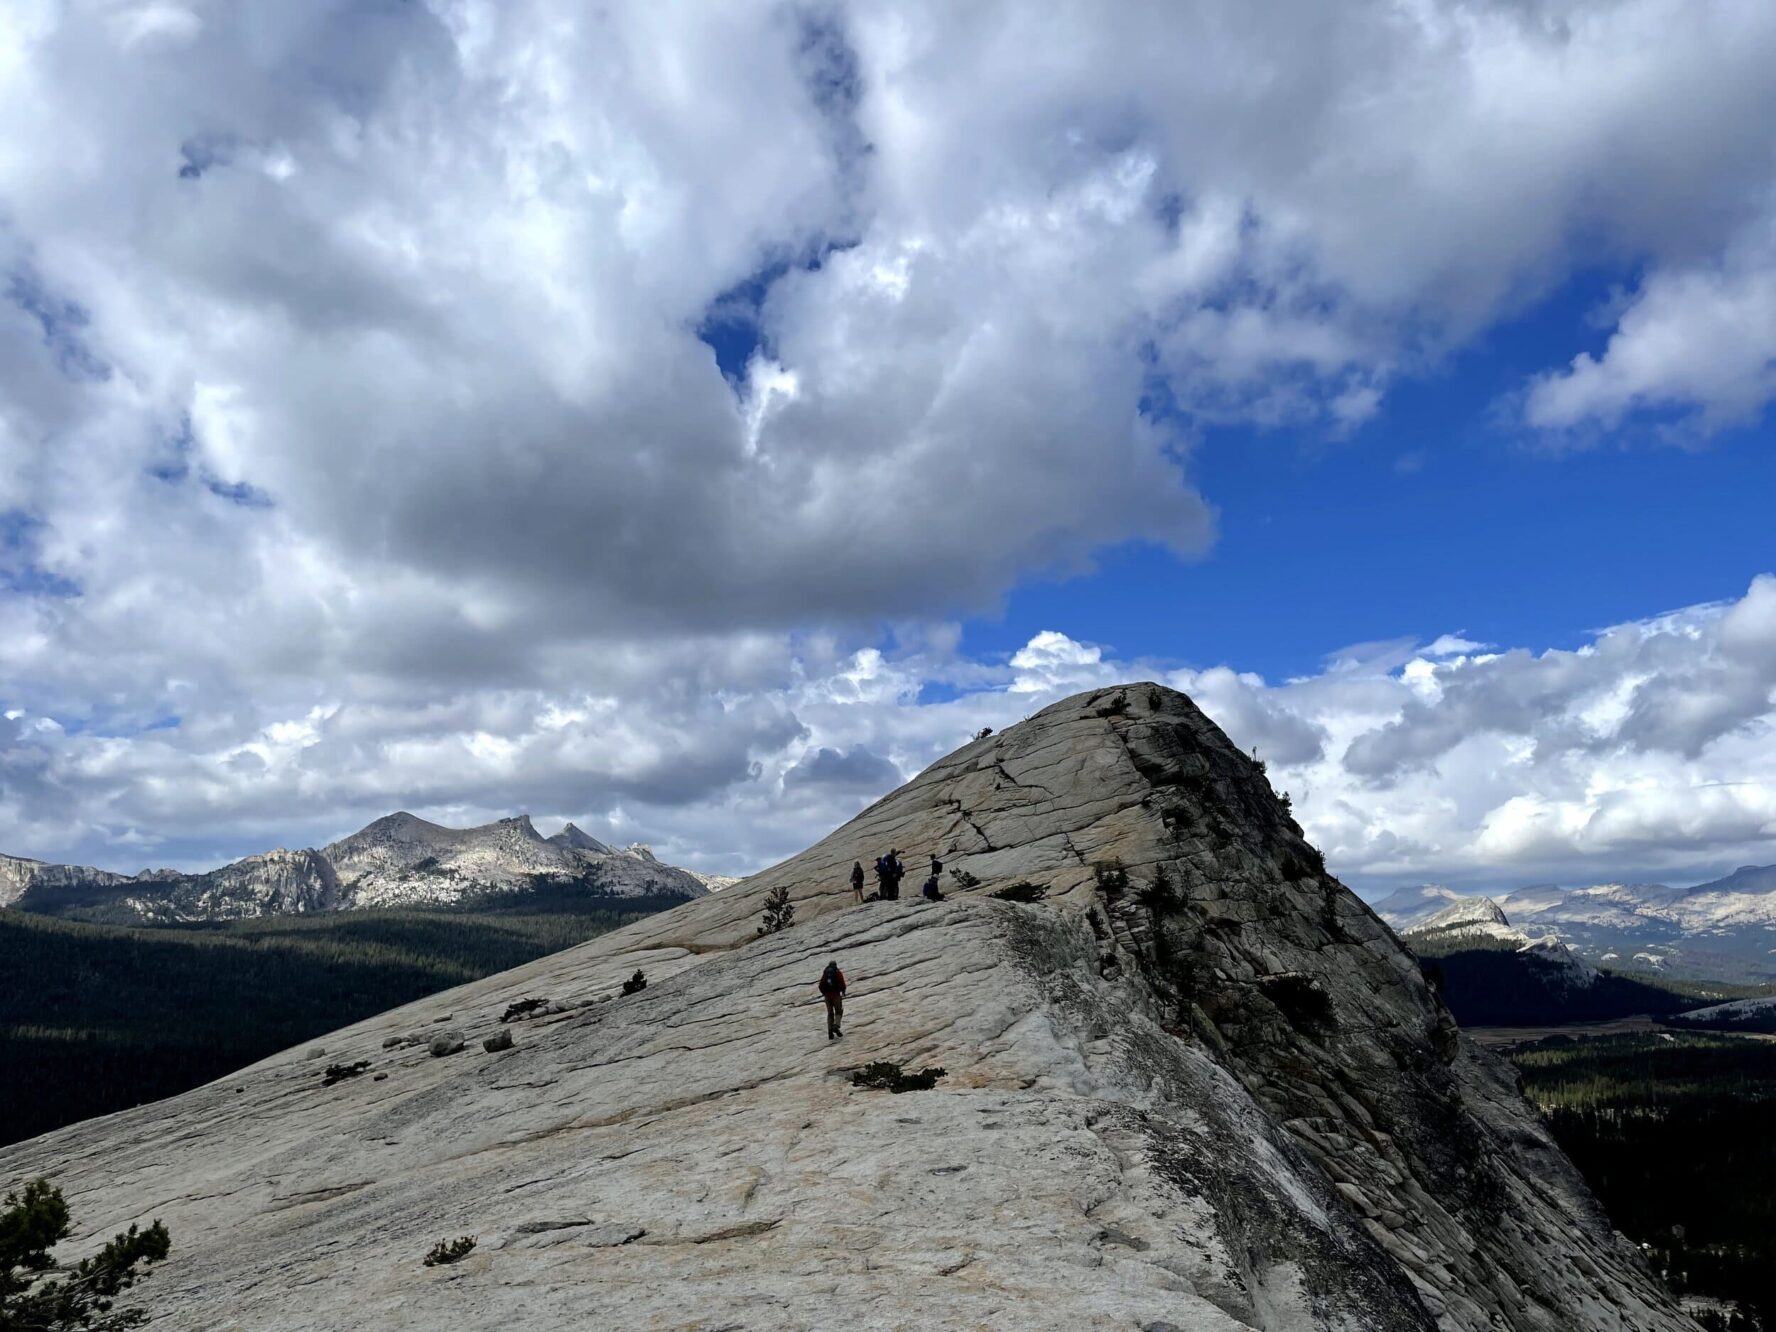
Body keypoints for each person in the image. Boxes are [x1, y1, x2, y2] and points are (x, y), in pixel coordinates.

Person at [817, 960, 847, 1039]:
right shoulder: (837, 972)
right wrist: (843, 991)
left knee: (830, 1013)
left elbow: (820, 985)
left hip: (827, 996)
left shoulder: (825, 973)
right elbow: (842, 983)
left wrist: (825, 994)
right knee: (839, 1011)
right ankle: (836, 1025)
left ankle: (830, 1032)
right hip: (836, 995)